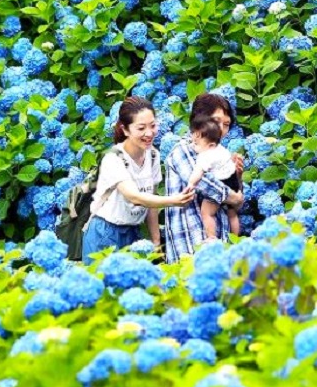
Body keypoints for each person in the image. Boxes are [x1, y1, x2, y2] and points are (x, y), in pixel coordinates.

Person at [81, 97, 195, 262]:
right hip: (105, 233)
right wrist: (174, 200)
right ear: (125, 129)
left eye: (153, 126)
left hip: (133, 233)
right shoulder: (114, 159)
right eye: (141, 128)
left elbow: (151, 203)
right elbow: (134, 196)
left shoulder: (153, 155)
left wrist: (156, 241)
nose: (149, 133)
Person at [165, 93, 244, 263]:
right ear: (199, 120)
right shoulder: (183, 149)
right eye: (216, 121)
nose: (221, 128)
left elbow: (235, 204)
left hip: (218, 245)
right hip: (191, 245)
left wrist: (236, 176)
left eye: (227, 124)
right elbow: (204, 183)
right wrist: (235, 196)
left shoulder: (218, 153)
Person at [185, 113, 241, 240]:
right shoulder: (221, 148)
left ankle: (211, 237)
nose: (194, 146)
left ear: (210, 146)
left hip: (222, 183)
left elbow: (198, 173)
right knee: (232, 213)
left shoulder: (206, 156)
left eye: (197, 144)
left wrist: (191, 184)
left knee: (207, 212)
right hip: (232, 179)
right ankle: (236, 239)